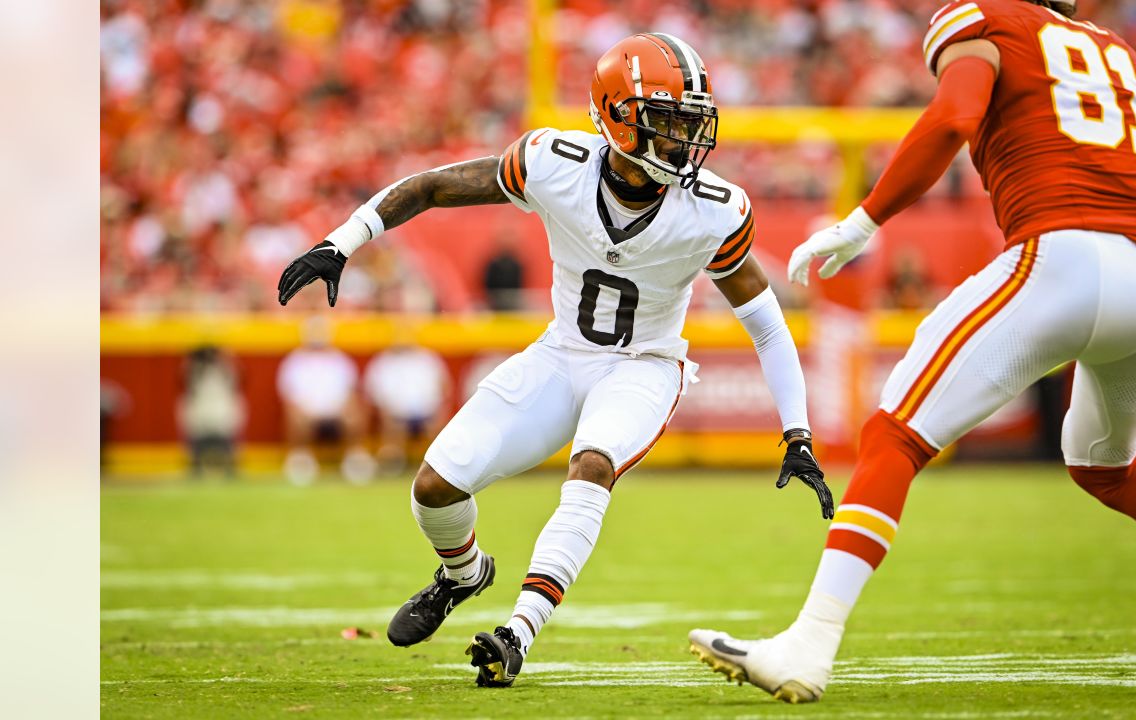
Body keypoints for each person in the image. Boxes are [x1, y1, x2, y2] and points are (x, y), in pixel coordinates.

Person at [277, 33, 833, 688]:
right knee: (433, 489)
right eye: (670, 123)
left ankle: (517, 633)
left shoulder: (714, 209)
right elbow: (430, 187)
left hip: (644, 365)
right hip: (562, 353)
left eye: (692, 123)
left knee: (591, 466)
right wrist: (342, 242)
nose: (687, 142)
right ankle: (463, 575)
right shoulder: (551, 163)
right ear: (619, 119)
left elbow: (767, 327)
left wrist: (798, 432)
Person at [688, 0, 1136, 703]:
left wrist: (863, 220)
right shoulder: (1115, 52)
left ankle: (809, 643)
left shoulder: (987, 20)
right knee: (1109, 468)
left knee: (894, 432)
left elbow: (955, 116)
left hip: (1062, 253)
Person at [276, 317, 374, 485]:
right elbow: (289, 397)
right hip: (306, 413)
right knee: (296, 417)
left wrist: (345, 409)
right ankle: (301, 460)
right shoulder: (294, 362)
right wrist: (302, 412)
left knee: (354, 415)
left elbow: (351, 393)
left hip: (337, 412)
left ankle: (355, 460)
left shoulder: (340, 360)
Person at [364, 330, 450, 474]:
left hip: (427, 414)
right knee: (394, 428)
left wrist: (437, 412)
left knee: (437, 428)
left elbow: (444, 387)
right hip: (396, 415)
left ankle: (439, 469)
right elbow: (375, 394)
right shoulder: (383, 362)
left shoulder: (428, 359)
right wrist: (387, 413)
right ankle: (391, 467)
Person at [178, 345, 245, 478]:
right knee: (188, 412)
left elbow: (239, 380)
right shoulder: (194, 368)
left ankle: (231, 466)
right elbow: (185, 384)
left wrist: (225, 358)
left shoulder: (226, 368)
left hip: (222, 412)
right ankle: (195, 466)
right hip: (200, 413)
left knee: (233, 410)